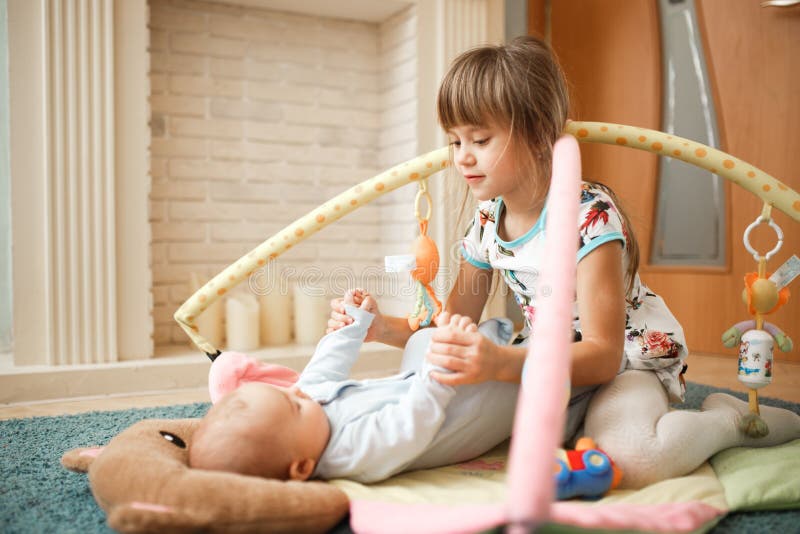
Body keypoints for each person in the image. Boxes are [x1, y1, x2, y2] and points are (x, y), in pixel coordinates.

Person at [327, 35, 800, 489]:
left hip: (620, 364)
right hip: (544, 361)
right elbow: (449, 325)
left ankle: (729, 421)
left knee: (633, 459)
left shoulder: (588, 215)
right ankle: (574, 421)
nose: (462, 158)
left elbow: (602, 354)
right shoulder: (488, 219)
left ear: (536, 134)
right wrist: (381, 328)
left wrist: (500, 361)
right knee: (442, 377)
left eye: (480, 139)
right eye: (454, 142)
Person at [189, 290, 519, 483]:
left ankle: (485, 346)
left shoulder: (307, 410)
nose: (298, 391)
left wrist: (352, 326)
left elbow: (322, 368)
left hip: (418, 385)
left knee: (422, 338)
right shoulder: (349, 451)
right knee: (503, 385)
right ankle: (519, 352)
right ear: (303, 467)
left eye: (285, 393)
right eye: (294, 405)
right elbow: (413, 422)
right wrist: (438, 366)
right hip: (454, 412)